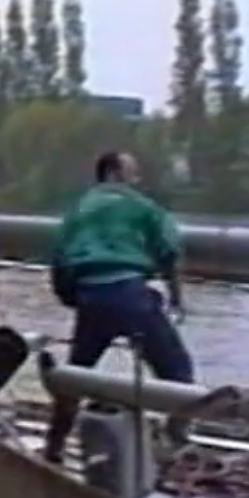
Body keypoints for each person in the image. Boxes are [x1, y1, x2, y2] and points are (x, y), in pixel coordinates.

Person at [43, 149, 194, 463]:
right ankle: (177, 443)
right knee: (178, 372)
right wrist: (177, 298)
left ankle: (54, 445)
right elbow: (169, 251)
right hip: (131, 294)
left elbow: (60, 258)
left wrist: (71, 297)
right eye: (132, 172)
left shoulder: (77, 209)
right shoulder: (143, 207)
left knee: (76, 374)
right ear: (113, 173)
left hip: (90, 297)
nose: (137, 179)